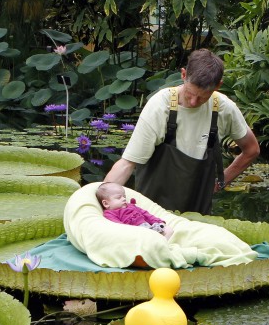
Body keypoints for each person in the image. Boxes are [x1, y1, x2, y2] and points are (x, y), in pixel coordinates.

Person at [103, 48, 260, 214]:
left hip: (197, 218)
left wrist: (222, 182)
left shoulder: (224, 108)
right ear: (183, 75)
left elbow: (252, 150)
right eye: (190, 93)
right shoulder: (159, 106)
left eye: (202, 97)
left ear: (218, 86)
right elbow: (127, 164)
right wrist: (101, 202)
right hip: (150, 215)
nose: (193, 102)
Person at [96, 182, 174, 239]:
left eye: (124, 196)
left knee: (169, 230)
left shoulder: (131, 206)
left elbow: (145, 214)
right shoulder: (109, 214)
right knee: (150, 237)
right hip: (135, 234)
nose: (123, 199)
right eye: (119, 197)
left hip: (150, 229)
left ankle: (162, 247)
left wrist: (158, 221)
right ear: (106, 203)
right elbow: (118, 227)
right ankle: (156, 247)